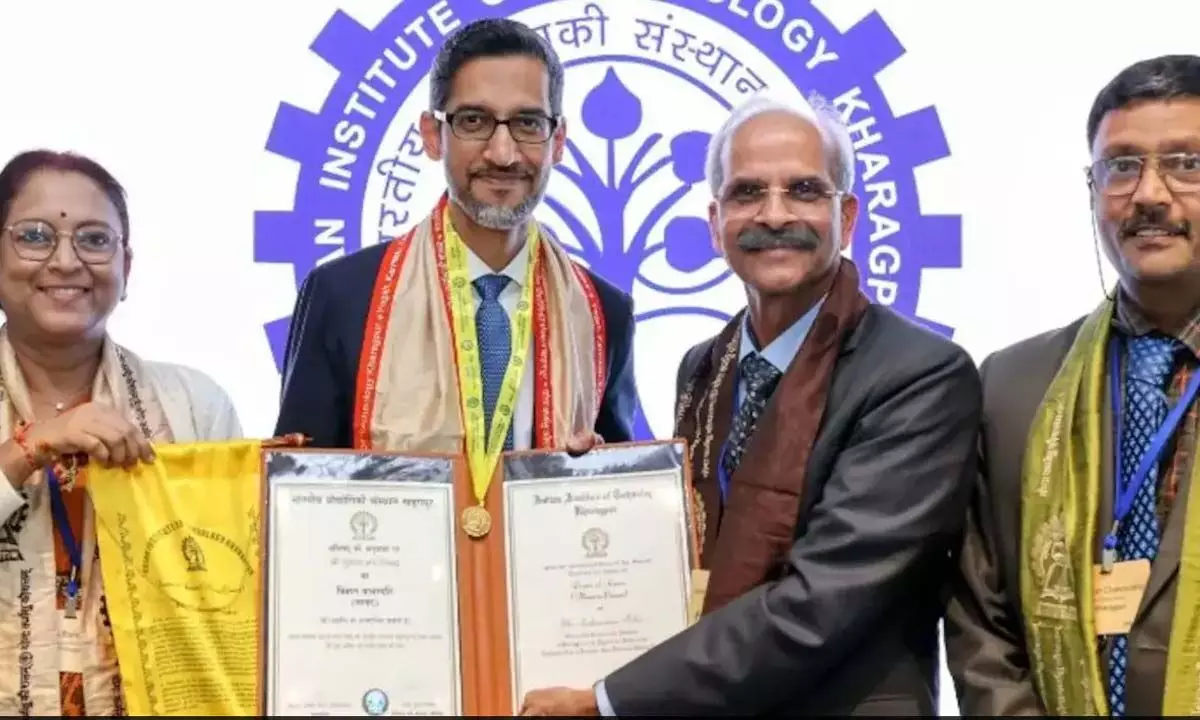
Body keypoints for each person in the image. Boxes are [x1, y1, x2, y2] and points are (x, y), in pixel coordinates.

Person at [519, 91, 982, 715]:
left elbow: (822, 604)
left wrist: (606, 701)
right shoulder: (704, 367)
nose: (773, 213)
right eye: (746, 193)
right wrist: (605, 491)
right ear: (715, 224)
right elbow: (694, 552)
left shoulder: (919, 376)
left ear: (848, 214)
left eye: (804, 190)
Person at [944, 54, 1200, 717]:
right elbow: (980, 617)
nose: (1149, 195)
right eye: (1120, 165)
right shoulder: (1012, 385)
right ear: (1092, 190)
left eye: (1186, 164)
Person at [273, 17, 637, 466]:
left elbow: (619, 492)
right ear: (432, 135)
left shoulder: (603, 312)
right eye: (473, 121)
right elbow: (299, 492)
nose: (503, 153)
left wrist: (595, 473)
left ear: (557, 140)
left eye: (528, 122)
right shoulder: (344, 296)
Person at [0, 150, 241, 715]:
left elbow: (234, 588)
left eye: (94, 239)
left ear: (126, 269)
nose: (66, 261)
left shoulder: (192, 404)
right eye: (34, 236)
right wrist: (27, 449)